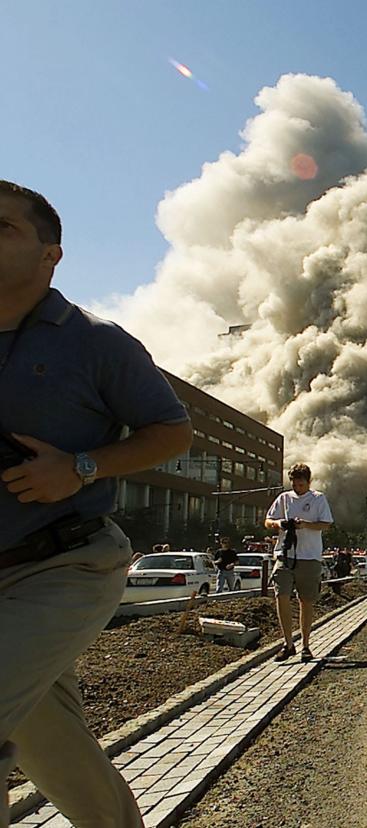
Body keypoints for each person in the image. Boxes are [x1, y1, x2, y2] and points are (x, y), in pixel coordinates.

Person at [0, 180, 194, 826]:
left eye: (5, 229)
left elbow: (172, 432)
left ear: (51, 254)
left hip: (63, 563)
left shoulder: (94, 341)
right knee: (50, 744)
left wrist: (80, 468)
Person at [264, 463, 334, 662]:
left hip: (309, 557)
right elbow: (268, 521)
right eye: (294, 484)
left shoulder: (318, 499)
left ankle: (305, 645)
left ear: (308, 482)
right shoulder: (284, 498)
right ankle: (288, 644)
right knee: (281, 595)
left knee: (306, 601)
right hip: (285, 555)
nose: (297, 488)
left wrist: (305, 525)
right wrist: (280, 523)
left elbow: (326, 524)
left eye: (301, 485)